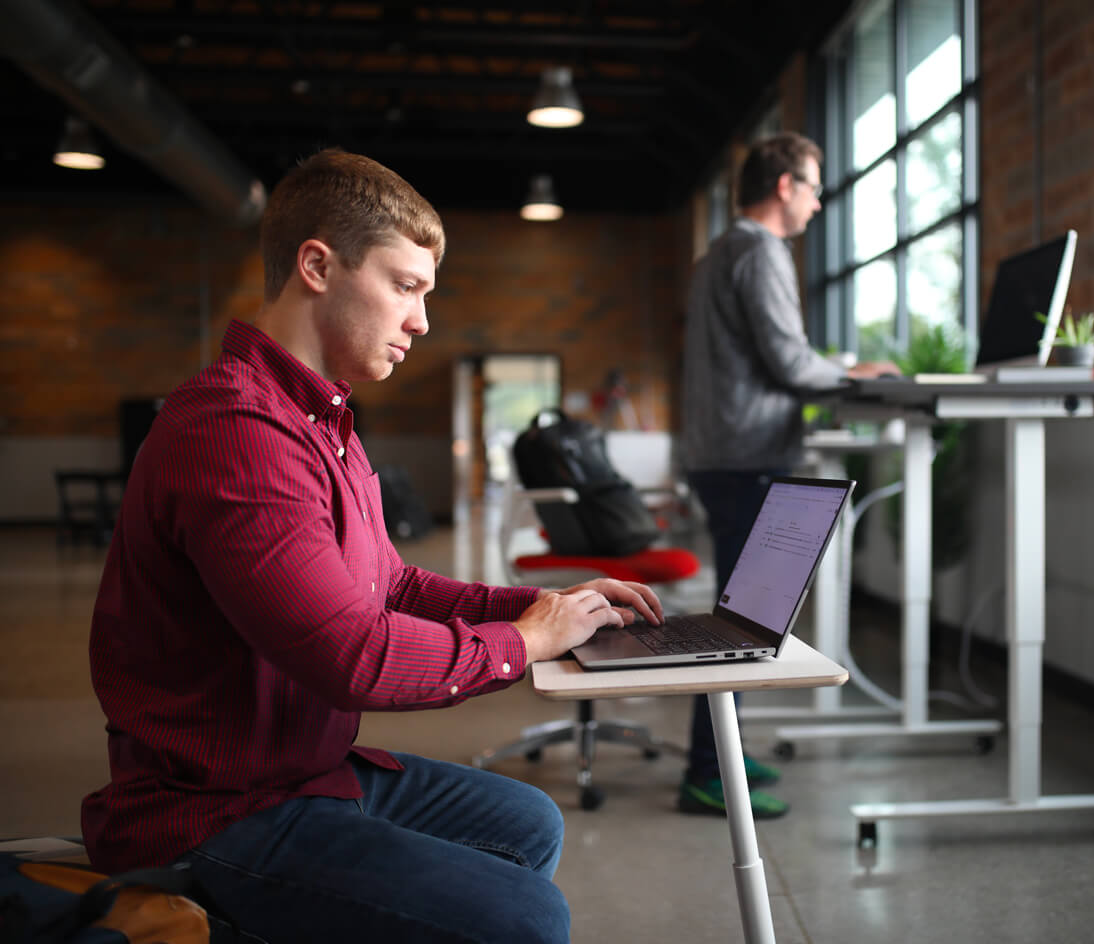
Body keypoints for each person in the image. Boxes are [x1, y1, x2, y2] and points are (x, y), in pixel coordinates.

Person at [82, 148, 665, 944]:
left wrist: (547, 605)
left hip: (302, 774)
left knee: (525, 822)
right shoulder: (235, 430)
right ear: (317, 265)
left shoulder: (330, 426)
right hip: (212, 810)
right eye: (405, 286)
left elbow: (390, 585)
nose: (422, 320)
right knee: (526, 918)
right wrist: (524, 644)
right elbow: (350, 655)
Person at [678, 132, 896, 819]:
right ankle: (708, 772)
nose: (818, 200)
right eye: (813, 185)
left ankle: (724, 754)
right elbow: (789, 362)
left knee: (741, 614)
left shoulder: (719, 251)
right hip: (747, 456)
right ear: (784, 186)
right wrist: (852, 373)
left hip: (723, 450)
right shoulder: (761, 250)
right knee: (745, 620)